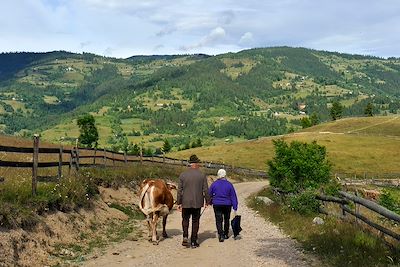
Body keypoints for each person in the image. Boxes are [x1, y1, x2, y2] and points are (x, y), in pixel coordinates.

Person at [177, 154, 210, 248]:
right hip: (197, 202)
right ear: (197, 163)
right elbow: (206, 190)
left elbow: (180, 190)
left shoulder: (183, 175)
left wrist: (178, 203)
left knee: (185, 219)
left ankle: (185, 236)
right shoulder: (202, 175)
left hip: (185, 201)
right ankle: (193, 241)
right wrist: (208, 201)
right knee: (195, 221)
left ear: (189, 163)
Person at [209, 169, 238, 242]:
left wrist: (209, 202)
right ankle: (225, 234)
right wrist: (235, 206)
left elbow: (209, 194)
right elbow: (233, 196)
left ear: (218, 175)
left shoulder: (214, 184)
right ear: (225, 175)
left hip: (217, 204)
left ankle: (220, 235)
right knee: (226, 219)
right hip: (227, 204)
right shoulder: (229, 184)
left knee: (218, 220)